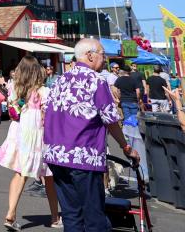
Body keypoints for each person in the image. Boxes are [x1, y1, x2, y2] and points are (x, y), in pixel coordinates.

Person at [43, 38, 139, 232]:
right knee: (94, 216)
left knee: (71, 215)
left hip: (56, 155)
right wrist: (126, 147)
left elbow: (46, 114)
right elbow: (110, 119)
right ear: (89, 55)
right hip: (83, 156)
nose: (104, 59)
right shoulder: (96, 81)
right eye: (103, 55)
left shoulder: (60, 80)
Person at [0, 56, 61, 230]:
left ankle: (10, 214)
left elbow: (12, 113)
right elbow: (48, 117)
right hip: (39, 135)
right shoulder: (43, 91)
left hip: (19, 133)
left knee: (20, 173)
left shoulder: (14, 89)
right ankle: (55, 217)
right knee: (49, 176)